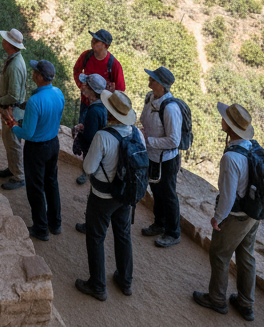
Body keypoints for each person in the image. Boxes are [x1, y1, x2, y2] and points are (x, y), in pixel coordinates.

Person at [192, 102, 260, 321]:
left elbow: (228, 196)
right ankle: (245, 303)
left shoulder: (231, 158)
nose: (221, 120)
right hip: (252, 214)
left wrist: (217, 218)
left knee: (219, 254)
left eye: (224, 119)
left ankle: (217, 299)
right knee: (246, 256)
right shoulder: (250, 147)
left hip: (236, 217)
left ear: (230, 126)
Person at [74, 89, 142, 301]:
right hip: (125, 194)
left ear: (110, 114)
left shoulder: (103, 136)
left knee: (95, 237)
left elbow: (88, 168)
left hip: (102, 195)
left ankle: (98, 285)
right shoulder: (135, 133)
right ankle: (125, 280)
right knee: (123, 235)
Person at [5, 59, 65, 241]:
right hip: (53, 143)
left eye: (34, 72)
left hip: (37, 149)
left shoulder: (35, 101)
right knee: (51, 183)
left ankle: (40, 228)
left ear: (39, 76)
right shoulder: (58, 93)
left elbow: (28, 133)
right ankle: (55, 223)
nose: (32, 73)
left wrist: (13, 126)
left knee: (36, 188)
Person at [72, 30, 124, 183]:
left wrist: (109, 94)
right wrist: (82, 87)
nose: (93, 42)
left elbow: (120, 89)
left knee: (99, 137)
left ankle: (96, 168)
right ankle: (85, 169)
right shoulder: (86, 56)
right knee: (86, 136)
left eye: (97, 41)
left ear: (106, 46)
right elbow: (76, 70)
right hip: (86, 102)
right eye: (93, 39)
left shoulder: (113, 64)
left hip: (102, 108)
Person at [139, 66, 183, 248]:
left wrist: (148, 141)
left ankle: (173, 232)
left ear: (162, 86)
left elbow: (174, 140)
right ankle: (159, 223)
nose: (150, 80)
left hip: (166, 159)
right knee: (156, 191)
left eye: (153, 79)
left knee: (169, 195)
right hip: (153, 156)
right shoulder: (151, 98)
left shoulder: (171, 108)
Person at [0, 29, 28, 191]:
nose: (2, 41)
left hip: (11, 110)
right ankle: (13, 168)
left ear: (9, 44)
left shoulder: (14, 66)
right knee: (10, 141)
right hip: (12, 109)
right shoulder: (15, 59)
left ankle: (19, 176)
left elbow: (13, 95)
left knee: (13, 143)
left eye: (5, 39)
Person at [72, 72, 108, 175]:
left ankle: (86, 175)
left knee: (90, 169)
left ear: (92, 91)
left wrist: (79, 135)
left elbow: (89, 137)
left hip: (92, 149)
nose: (83, 86)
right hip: (98, 146)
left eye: (86, 85)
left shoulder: (93, 111)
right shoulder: (102, 105)